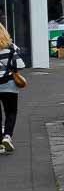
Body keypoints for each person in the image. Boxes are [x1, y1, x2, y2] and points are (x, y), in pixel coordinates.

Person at [0, 23, 25, 154]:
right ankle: (7, 137)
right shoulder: (11, 48)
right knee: (11, 112)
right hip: (8, 84)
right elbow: (20, 65)